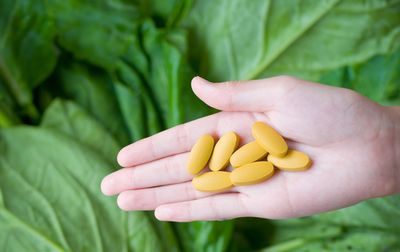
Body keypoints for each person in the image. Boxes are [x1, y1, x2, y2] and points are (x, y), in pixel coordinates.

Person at [101, 76, 400, 222]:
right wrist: (386, 141)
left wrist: (385, 139)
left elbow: (258, 163)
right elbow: (234, 169)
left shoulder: (266, 154)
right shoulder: (241, 159)